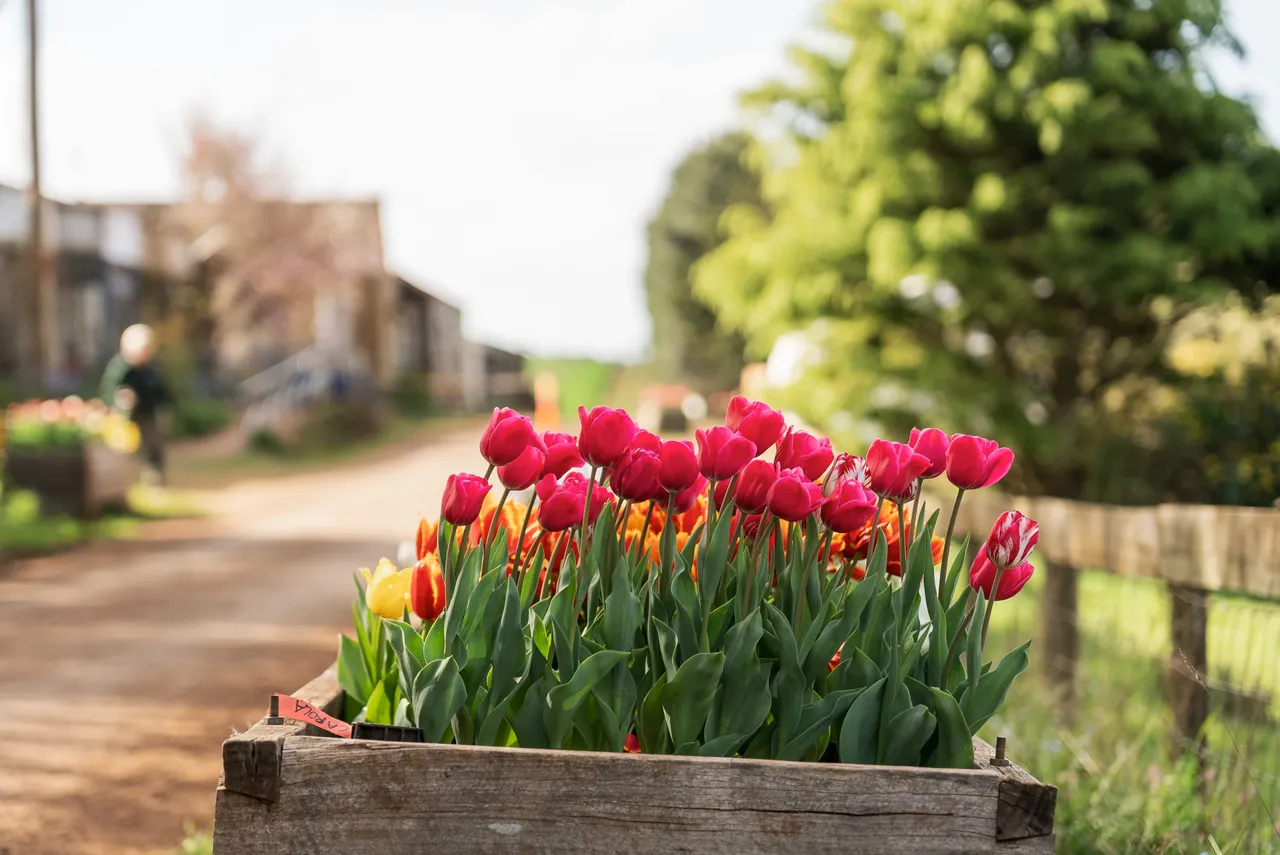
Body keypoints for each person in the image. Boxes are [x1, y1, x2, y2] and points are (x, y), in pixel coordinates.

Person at [100, 324, 172, 485]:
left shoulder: (150, 368)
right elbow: (108, 391)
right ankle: (124, 480)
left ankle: (154, 479)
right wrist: (120, 399)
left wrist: (165, 406)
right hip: (126, 418)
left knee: (153, 447)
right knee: (125, 450)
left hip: (148, 414)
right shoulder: (120, 368)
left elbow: (161, 390)